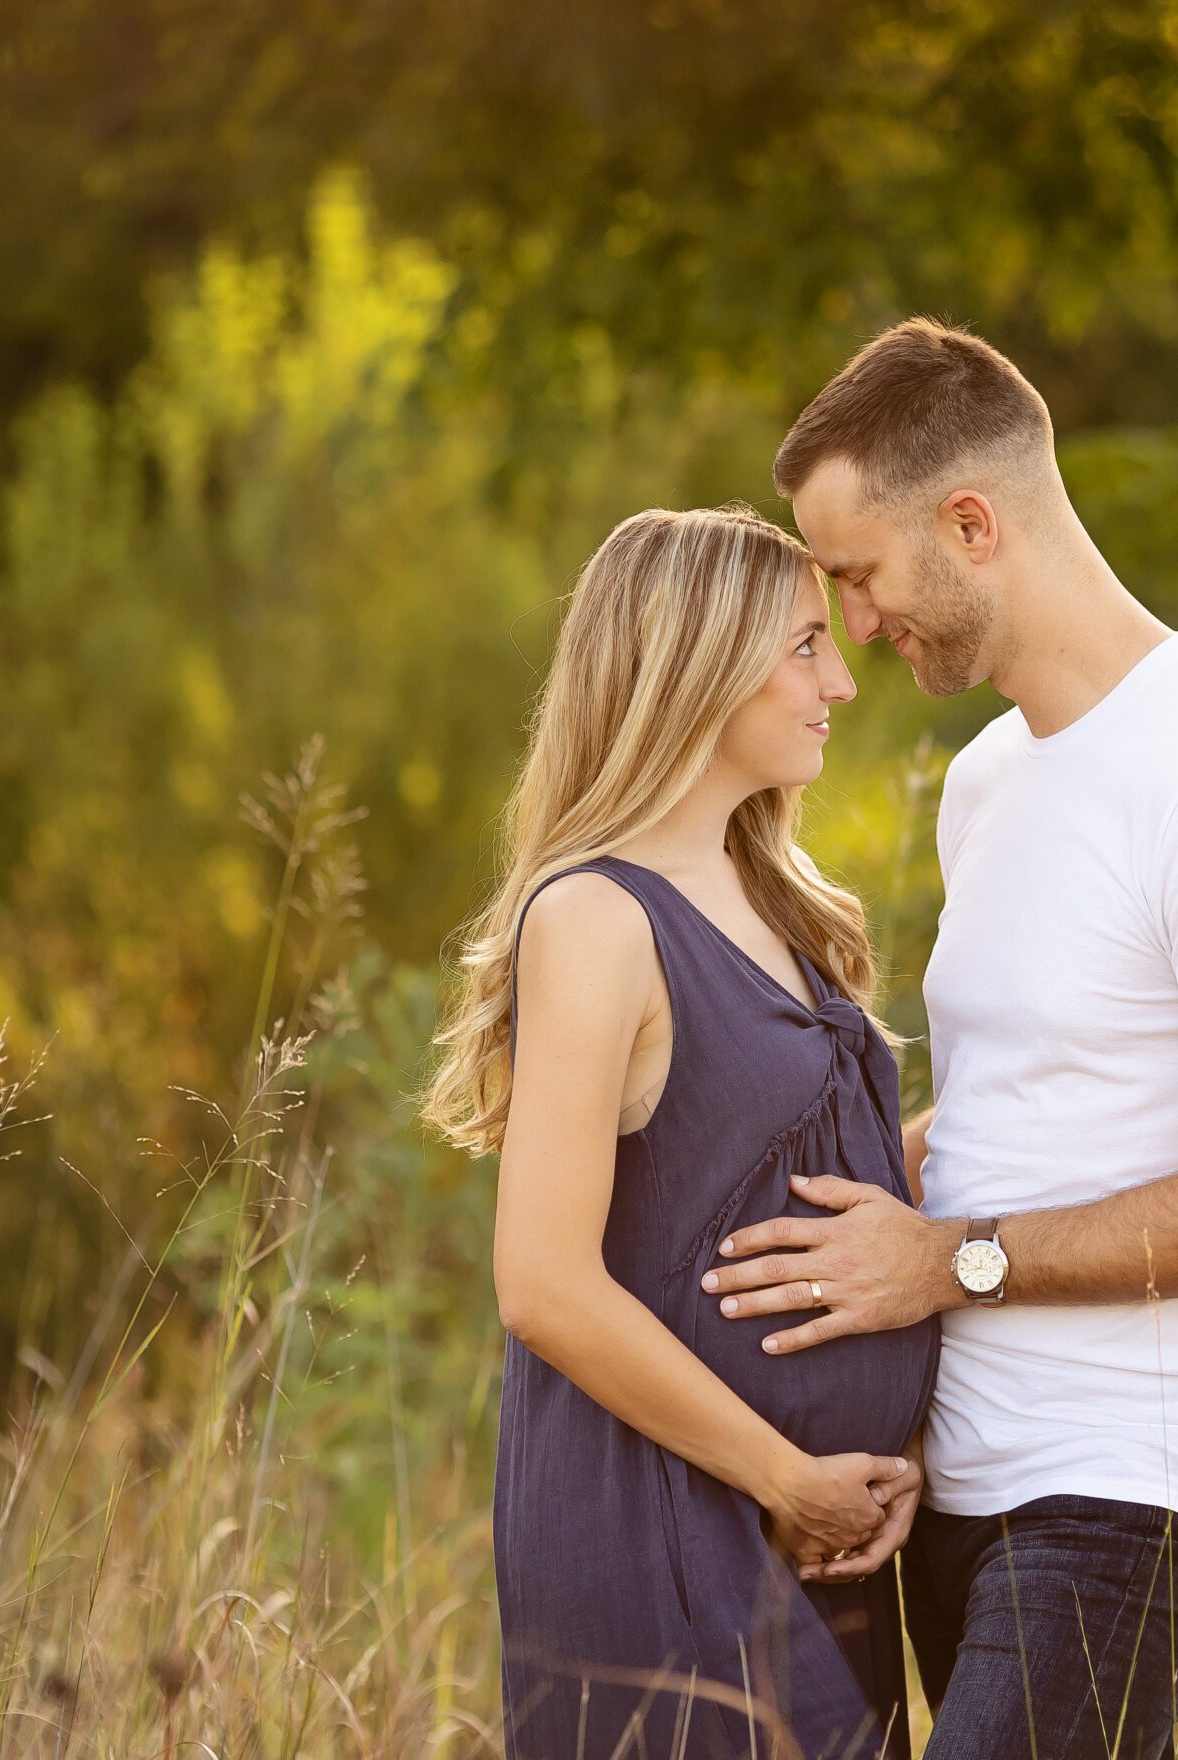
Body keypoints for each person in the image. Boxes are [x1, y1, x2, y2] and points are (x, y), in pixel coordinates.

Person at [698, 318, 1178, 1759]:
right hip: (958, 1481)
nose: (856, 628)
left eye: (860, 577)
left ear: (973, 523)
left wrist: (944, 1261)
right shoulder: (988, 781)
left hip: (1135, 1494)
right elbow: (1030, 1102)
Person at [423, 504, 942, 1760]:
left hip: (820, 1533)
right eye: (805, 646)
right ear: (698, 663)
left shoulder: (774, 896)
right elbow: (542, 1283)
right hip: (666, 1517)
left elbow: (813, 1174)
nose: (841, 679)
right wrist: (784, 1473)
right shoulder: (597, 917)